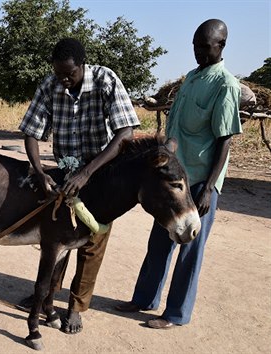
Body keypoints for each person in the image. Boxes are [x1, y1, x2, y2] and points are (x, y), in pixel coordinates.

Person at [115, 19, 242, 329]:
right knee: (159, 240)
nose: (199, 52)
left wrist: (210, 187)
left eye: (205, 47)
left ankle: (175, 314)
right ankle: (144, 299)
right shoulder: (191, 79)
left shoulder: (225, 85)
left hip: (199, 180)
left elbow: (225, 140)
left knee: (189, 248)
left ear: (221, 46)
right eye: (196, 46)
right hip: (172, 178)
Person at [19, 38, 140, 333]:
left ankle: (76, 306)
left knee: (91, 242)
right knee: (59, 236)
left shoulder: (105, 79)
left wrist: (87, 173)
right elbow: (31, 132)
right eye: (59, 73)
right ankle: (48, 295)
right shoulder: (50, 84)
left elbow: (126, 133)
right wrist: (38, 170)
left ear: (82, 66)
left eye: (69, 74)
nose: (64, 79)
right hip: (65, 171)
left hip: (102, 172)